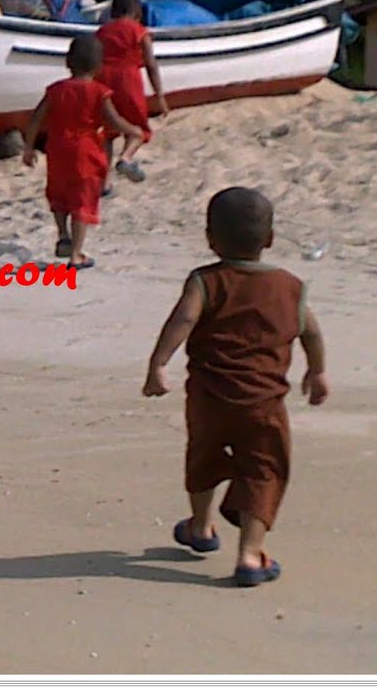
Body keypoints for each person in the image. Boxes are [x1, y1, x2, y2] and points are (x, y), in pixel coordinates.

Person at [142, 186, 330, 587]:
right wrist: (317, 372)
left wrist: (159, 364)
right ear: (271, 239)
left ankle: (200, 526)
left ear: (210, 238)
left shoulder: (205, 281)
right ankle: (249, 554)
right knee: (265, 470)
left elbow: (183, 321)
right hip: (263, 404)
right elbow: (310, 331)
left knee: (203, 458)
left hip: (208, 399)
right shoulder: (290, 287)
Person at [21, 34, 145, 268]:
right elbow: (114, 120)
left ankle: (62, 235)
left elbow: (36, 119)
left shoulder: (55, 90)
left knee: (58, 193)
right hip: (85, 151)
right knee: (82, 200)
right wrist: (134, 130)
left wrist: (28, 148)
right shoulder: (99, 92)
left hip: (57, 149)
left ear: (68, 63)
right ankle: (76, 254)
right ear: (99, 66)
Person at [97, 0, 167, 192]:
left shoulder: (102, 31)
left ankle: (103, 183)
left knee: (108, 133)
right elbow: (151, 65)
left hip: (104, 81)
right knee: (139, 129)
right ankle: (126, 158)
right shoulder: (139, 31)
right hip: (129, 81)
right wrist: (160, 96)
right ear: (137, 11)